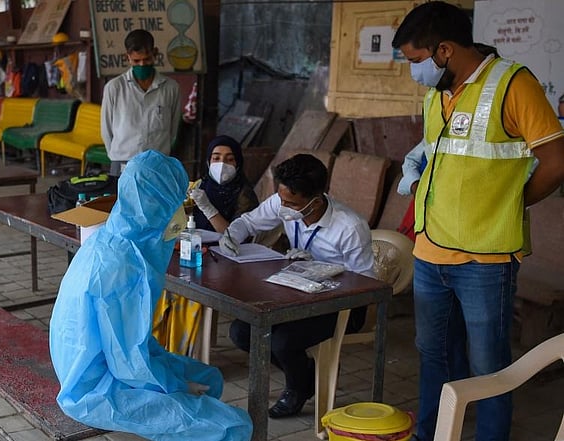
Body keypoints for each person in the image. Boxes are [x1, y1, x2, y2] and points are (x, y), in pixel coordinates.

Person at [391, 3, 564, 440]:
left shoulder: (512, 84)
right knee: (434, 355)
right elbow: (437, 158)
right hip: (430, 251)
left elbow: (556, 161)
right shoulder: (438, 93)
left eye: (416, 61)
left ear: (444, 50)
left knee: (490, 367)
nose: (414, 73)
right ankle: (430, 434)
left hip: (484, 260)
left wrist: (514, 202)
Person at [49, 150, 253, 441]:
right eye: (176, 198)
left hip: (99, 360)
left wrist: (177, 379)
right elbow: (128, 364)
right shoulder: (123, 266)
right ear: (159, 200)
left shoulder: (117, 238)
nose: (179, 209)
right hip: (93, 386)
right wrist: (177, 387)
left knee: (209, 379)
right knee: (232, 426)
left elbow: (131, 341)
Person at [219, 153, 375, 419]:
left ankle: (297, 388)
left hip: (341, 305)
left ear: (315, 200)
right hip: (295, 294)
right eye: (281, 199)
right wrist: (232, 235)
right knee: (242, 332)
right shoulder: (284, 202)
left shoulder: (350, 227)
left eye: (291, 203)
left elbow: (365, 284)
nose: (283, 207)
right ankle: (305, 375)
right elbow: (248, 222)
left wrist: (321, 269)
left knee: (282, 341)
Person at [151, 135, 259, 357]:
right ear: (208, 162)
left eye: (229, 159)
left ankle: (187, 353)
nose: (222, 165)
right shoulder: (202, 185)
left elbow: (232, 237)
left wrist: (208, 208)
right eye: (216, 158)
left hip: (226, 260)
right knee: (161, 282)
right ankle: (159, 345)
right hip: (197, 250)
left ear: (238, 163)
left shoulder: (245, 194)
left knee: (186, 290)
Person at [101, 29, 180, 176]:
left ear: (155, 54)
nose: (142, 64)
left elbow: (173, 129)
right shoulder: (114, 88)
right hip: (123, 162)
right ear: (128, 58)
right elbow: (106, 130)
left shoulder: (170, 88)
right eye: (136, 61)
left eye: (147, 59)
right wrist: (117, 156)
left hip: (158, 163)